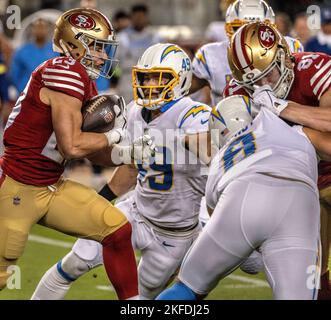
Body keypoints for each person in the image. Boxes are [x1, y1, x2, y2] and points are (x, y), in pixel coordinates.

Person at [31, 43, 212, 300]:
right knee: (76, 261)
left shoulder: (193, 115)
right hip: (136, 211)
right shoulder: (136, 112)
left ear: (180, 80)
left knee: (141, 297)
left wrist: (188, 142)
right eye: (145, 77)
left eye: (158, 78)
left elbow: (211, 154)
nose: (149, 84)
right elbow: (130, 167)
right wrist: (100, 201)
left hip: (175, 234)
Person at [0, 8, 155, 300]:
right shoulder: (64, 71)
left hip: (50, 185)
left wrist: (126, 153)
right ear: (73, 46)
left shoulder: (80, 77)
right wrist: (115, 135)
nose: (102, 56)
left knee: (116, 231)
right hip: (16, 187)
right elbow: (71, 145)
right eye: (97, 47)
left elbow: (92, 153)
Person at [157, 93, 331, 300]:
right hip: (300, 199)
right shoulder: (292, 129)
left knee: (187, 287)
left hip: (240, 195)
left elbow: (216, 209)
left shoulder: (220, 158)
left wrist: (247, 245)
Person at [223, 21, 331, 299]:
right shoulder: (236, 93)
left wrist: (285, 109)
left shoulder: (313, 66)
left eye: (268, 75)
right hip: (300, 186)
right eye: (253, 82)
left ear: (283, 55)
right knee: (312, 276)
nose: (263, 85)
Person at [117, 4, 161, 102]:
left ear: (146, 17)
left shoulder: (155, 37)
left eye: (141, 16)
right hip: (127, 81)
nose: (139, 19)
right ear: (131, 18)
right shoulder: (121, 37)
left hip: (150, 80)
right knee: (126, 111)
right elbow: (114, 65)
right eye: (136, 16)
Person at [9, 18, 57, 95]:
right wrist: (22, 90)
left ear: (48, 30)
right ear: (32, 30)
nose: (40, 30)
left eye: (43, 27)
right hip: (27, 94)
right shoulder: (22, 51)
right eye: (37, 27)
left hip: (50, 94)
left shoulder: (56, 51)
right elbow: (14, 74)